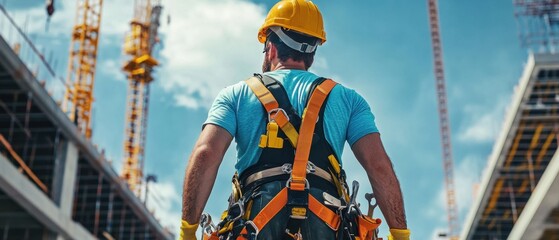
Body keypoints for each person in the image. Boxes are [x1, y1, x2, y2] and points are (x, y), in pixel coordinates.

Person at [180, 0, 410, 239]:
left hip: (255, 223)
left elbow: (206, 154)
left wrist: (187, 230)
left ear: (270, 47)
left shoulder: (235, 95)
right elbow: (379, 165)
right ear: (312, 53)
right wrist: (399, 233)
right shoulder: (349, 100)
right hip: (327, 220)